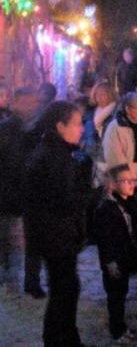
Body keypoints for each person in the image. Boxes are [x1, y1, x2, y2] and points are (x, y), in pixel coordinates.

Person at [24, 101, 90, 347]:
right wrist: (94, 194)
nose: (81, 129)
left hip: (57, 234)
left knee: (67, 289)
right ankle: (56, 340)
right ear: (60, 126)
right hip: (55, 235)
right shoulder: (53, 157)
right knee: (63, 291)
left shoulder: (60, 151)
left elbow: (80, 171)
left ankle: (68, 338)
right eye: (76, 124)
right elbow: (66, 200)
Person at [94, 165, 137, 343]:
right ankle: (117, 331)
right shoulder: (106, 209)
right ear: (113, 184)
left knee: (122, 292)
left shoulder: (127, 202)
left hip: (123, 258)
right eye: (126, 181)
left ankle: (121, 326)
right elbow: (105, 240)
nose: (131, 184)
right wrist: (110, 263)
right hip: (114, 261)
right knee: (115, 297)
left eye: (133, 180)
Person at [0, 87, 44, 297]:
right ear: (16, 103)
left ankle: (31, 282)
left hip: (31, 194)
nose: (32, 106)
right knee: (8, 240)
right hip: (9, 194)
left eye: (34, 102)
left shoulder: (37, 129)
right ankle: (9, 278)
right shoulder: (6, 130)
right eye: (28, 102)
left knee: (33, 239)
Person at [103, 92, 137, 214]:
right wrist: (128, 180)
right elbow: (114, 157)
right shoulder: (115, 128)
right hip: (122, 183)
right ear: (127, 109)